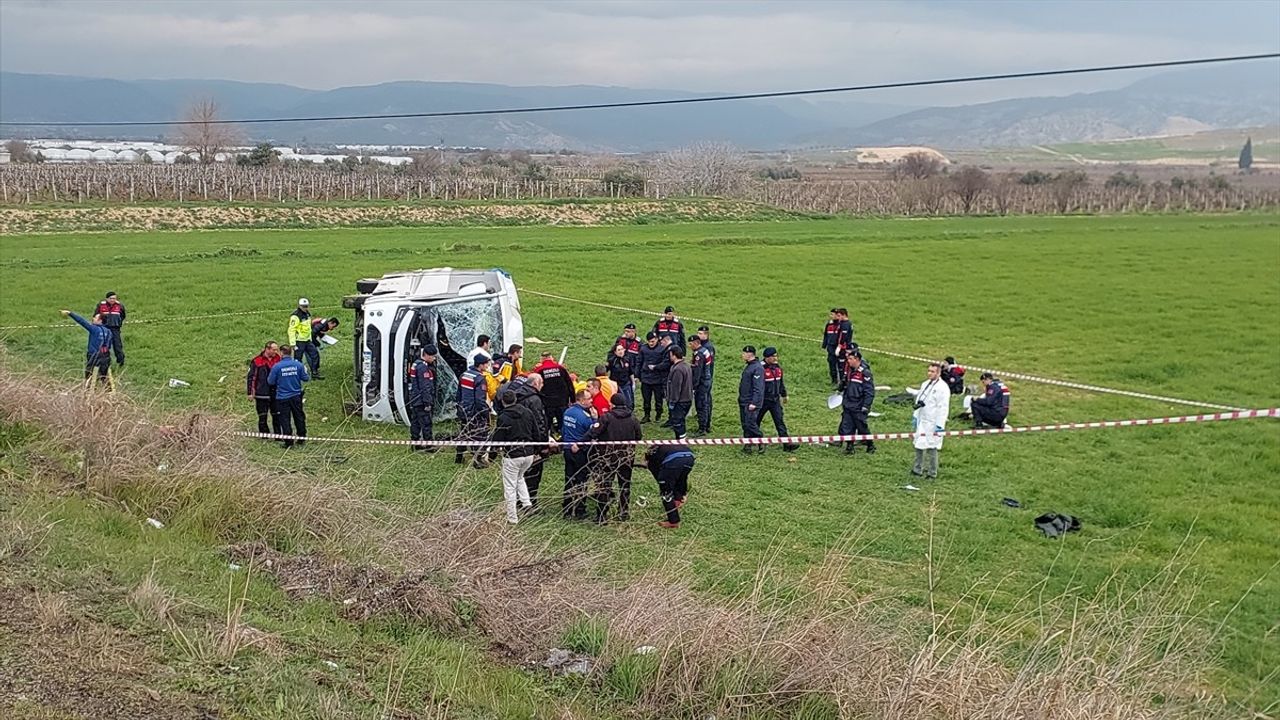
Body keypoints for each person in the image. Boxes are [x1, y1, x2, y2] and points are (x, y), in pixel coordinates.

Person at [588, 394, 642, 523]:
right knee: (625, 484)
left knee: (605, 486)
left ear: (612, 404)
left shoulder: (606, 417)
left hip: (608, 457)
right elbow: (639, 436)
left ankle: (601, 515)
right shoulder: (633, 418)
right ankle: (623, 512)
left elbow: (594, 433)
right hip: (626, 457)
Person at [490, 390, 539, 524]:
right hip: (528, 454)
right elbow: (536, 432)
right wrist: (537, 450)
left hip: (512, 455)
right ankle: (527, 503)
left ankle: (512, 518)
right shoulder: (528, 413)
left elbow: (498, 439)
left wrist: (491, 456)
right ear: (515, 399)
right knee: (520, 477)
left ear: (502, 402)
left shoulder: (503, 417)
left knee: (510, 486)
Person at [510, 373, 552, 508]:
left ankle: (517, 501)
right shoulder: (534, 400)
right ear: (535, 384)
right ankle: (530, 503)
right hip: (532, 443)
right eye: (542, 383)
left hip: (516, 440)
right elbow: (540, 423)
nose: (543, 385)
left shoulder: (516, 395)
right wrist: (543, 444)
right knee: (533, 475)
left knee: (518, 475)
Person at [911, 362, 950, 479]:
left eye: (932, 371)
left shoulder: (942, 388)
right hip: (922, 420)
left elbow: (943, 407)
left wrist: (940, 424)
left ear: (938, 373)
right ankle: (917, 469)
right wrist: (915, 416)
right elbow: (920, 400)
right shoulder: (925, 384)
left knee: (932, 446)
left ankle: (932, 472)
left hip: (933, 421)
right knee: (918, 444)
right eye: (928, 371)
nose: (929, 373)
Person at [560, 390, 595, 520]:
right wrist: (595, 419)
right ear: (581, 400)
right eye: (589, 398)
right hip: (580, 452)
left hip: (568, 449)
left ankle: (567, 509)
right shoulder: (585, 417)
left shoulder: (567, 412)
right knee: (582, 481)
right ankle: (580, 509)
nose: (591, 400)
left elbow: (563, 430)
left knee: (569, 479)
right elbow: (592, 432)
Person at [644, 443, 694, 529]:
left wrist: (662, 482)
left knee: (666, 490)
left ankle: (673, 521)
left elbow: (658, 475)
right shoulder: (664, 446)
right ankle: (679, 499)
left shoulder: (651, 455)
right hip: (690, 457)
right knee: (680, 478)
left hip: (674, 460)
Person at [267, 345, 309, 448]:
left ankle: (289, 442)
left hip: (282, 397)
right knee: (299, 417)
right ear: (290, 353)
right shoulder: (298, 365)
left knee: (285, 419)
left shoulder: (277, 367)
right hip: (296, 396)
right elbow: (306, 378)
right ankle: (301, 437)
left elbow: (270, 381)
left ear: (281, 353)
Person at [455, 355, 492, 468]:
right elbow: (480, 400)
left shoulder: (464, 375)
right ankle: (477, 461)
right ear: (480, 365)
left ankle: (459, 456)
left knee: (464, 433)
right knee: (478, 435)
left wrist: (460, 407)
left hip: (463, 410)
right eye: (486, 364)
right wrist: (486, 412)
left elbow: (459, 394)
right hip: (474, 412)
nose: (487, 366)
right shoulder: (480, 379)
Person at [758, 347, 797, 452]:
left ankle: (786, 444)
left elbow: (780, 384)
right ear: (767, 357)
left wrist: (784, 395)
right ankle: (752, 442)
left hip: (775, 400)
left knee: (779, 421)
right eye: (773, 356)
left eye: (776, 356)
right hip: (763, 401)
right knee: (755, 421)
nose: (776, 358)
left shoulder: (777, 368)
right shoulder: (760, 369)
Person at [61, 309, 113, 386]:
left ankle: (89, 392)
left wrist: (70, 313)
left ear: (100, 320)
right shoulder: (108, 331)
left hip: (94, 356)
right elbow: (109, 344)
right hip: (105, 356)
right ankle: (108, 392)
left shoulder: (94, 329)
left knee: (89, 375)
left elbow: (82, 322)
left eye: (95, 318)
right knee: (104, 376)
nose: (93, 319)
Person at [838, 351, 876, 454]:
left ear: (857, 359)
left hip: (859, 405)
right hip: (848, 403)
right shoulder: (849, 371)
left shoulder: (864, 373)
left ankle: (870, 444)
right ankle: (849, 447)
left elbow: (869, 391)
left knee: (861, 427)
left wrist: (866, 405)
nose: (848, 361)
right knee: (847, 426)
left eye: (851, 359)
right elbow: (845, 383)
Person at [532, 351, 574, 435]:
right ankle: (563, 440)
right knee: (563, 424)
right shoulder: (560, 368)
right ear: (551, 358)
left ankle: (547, 440)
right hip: (562, 402)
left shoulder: (539, 370)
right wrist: (572, 399)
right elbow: (570, 384)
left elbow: (534, 386)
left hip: (547, 403)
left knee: (547, 424)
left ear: (542, 359)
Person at [407, 344, 439, 452]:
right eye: (433, 357)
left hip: (415, 399)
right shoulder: (423, 368)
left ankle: (415, 443)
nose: (434, 359)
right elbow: (425, 387)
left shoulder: (416, 364)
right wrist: (428, 402)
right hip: (421, 400)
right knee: (426, 423)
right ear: (428, 355)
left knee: (415, 422)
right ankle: (429, 445)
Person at [246, 341, 281, 436]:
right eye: (274, 350)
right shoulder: (257, 361)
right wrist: (250, 392)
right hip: (261, 393)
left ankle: (278, 435)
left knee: (277, 415)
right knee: (262, 416)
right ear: (267, 349)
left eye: (276, 349)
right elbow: (251, 377)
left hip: (275, 393)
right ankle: (264, 434)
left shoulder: (278, 359)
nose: (276, 351)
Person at [637, 332, 670, 424]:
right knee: (646, 399)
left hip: (657, 379)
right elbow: (639, 362)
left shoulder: (662, 349)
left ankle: (658, 414)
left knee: (658, 399)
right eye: (649, 342)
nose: (651, 343)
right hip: (646, 378)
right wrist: (637, 375)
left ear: (656, 339)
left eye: (653, 341)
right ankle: (646, 415)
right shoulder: (643, 348)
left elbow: (665, 363)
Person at [738, 346, 765, 454]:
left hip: (750, 402)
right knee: (745, 424)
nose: (742, 355)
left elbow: (758, 387)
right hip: (744, 400)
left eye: (744, 353)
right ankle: (748, 445)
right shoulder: (750, 366)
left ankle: (761, 441)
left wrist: (754, 402)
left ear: (750, 354)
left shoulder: (757, 368)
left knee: (750, 423)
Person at [664, 346, 693, 439]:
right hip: (687, 398)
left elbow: (676, 387)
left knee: (678, 423)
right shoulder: (686, 366)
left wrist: (672, 401)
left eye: (670, 354)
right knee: (681, 421)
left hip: (679, 401)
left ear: (674, 355)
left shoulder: (677, 369)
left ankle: (681, 441)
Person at [287, 298, 320, 378]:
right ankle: (298, 375)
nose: (305, 308)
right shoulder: (295, 316)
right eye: (303, 306)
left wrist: (310, 339)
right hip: (299, 341)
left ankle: (314, 372)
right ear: (299, 306)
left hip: (307, 340)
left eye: (306, 306)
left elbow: (308, 327)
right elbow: (291, 330)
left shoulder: (307, 314)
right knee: (298, 359)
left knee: (315, 355)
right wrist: (293, 344)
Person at [688, 335, 714, 436]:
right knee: (706, 404)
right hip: (707, 380)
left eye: (690, 344)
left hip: (702, 383)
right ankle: (707, 425)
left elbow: (698, 372)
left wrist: (694, 386)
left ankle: (702, 428)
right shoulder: (704, 350)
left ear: (696, 343)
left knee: (701, 405)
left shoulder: (699, 354)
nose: (689, 346)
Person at [94, 291, 126, 367]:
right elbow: (96, 315)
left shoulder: (120, 306)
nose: (112, 300)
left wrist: (118, 323)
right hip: (104, 328)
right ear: (106, 299)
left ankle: (121, 362)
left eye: (114, 298)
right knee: (104, 346)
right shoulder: (101, 305)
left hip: (115, 328)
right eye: (111, 298)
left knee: (117, 346)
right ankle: (104, 362)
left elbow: (123, 316)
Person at [822, 308, 841, 386]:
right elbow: (826, 335)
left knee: (840, 365)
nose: (831, 316)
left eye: (832, 314)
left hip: (838, 348)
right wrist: (824, 345)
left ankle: (842, 381)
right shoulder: (829, 324)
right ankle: (834, 380)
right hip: (830, 348)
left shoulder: (841, 325)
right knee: (831, 364)